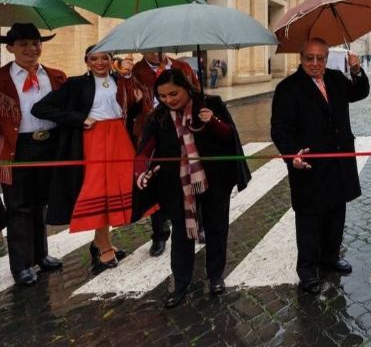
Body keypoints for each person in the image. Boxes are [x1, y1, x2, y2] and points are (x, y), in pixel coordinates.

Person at [134, 68, 251, 308]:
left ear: (186, 88)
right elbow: (145, 149)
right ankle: (180, 284)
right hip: (176, 183)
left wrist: (213, 121)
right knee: (181, 232)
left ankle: (215, 277)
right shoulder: (159, 116)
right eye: (162, 96)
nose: (169, 100)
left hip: (214, 179)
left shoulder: (211, 104)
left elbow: (229, 136)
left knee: (217, 228)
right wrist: (141, 170)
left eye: (173, 94)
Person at [31, 46, 144, 272]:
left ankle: (101, 242)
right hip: (94, 141)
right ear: (86, 61)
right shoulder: (76, 84)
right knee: (98, 192)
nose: (100, 62)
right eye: (94, 58)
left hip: (120, 139)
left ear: (112, 60)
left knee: (114, 191)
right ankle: (103, 246)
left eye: (105, 58)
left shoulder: (121, 81)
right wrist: (79, 118)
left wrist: (137, 100)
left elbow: (129, 111)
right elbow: (40, 108)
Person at [271, 38, 369, 294]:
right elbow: (279, 130)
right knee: (309, 220)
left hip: (339, 162)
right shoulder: (288, 88)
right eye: (309, 58)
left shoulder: (336, 79)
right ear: (301, 58)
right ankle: (307, 270)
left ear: (326, 59)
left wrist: (357, 71)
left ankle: (330, 257)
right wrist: (292, 154)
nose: (314, 63)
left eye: (320, 58)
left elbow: (359, 92)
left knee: (336, 213)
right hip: (309, 165)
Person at [0, 23, 66, 286]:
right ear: (10, 48)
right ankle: (21, 265)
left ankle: (41, 255)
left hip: (50, 146)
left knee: (40, 203)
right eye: (23, 44)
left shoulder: (56, 77)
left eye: (35, 43)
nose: (31, 48)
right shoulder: (1, 79)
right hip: (16, 148)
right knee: (18, 206)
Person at [132, 51, 200, 257]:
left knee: (192, 182)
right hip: (155, 128)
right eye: (151, 49)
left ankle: (197, 224)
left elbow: (196, 91)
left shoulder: (182, 67)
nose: (156, 52)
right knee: (160, 183)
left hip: (186, 131)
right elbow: (127, 102)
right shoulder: (136, 71)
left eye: (160, 48)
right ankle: (160, 235)